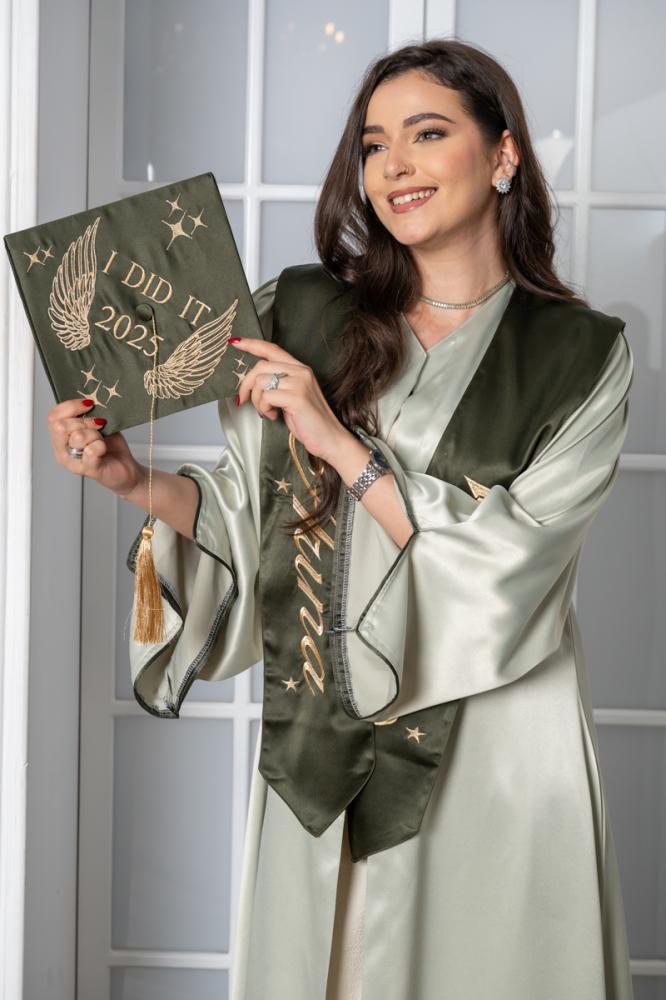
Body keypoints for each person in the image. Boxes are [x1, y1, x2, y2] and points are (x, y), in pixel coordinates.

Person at [47, 38, 635, 1000]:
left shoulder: (581, 355)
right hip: (324, 731)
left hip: (493, 741)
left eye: (427, 133)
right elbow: (250, 526)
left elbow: (511, 570)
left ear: (503, 154)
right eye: (372, 145)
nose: (393, 165)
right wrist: (131, 478)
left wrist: (338, 441)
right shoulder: (303, 311)